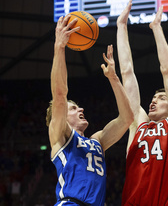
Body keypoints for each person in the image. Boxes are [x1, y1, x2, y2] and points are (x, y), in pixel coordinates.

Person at [46, 14, 133, 206]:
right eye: (74, 108)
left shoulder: (97, 141)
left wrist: (114, 79)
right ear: (60, 117)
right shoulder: (61, 136)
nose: (81, 109)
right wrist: (59, 47)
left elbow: (127, 119)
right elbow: (60, 95)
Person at [116, 0, 168, 205]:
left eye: (162, 98)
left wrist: (156, 28)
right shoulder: (137, 125)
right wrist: (121, 27)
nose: (154, 101)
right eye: (153, 98)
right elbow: (127, 73)